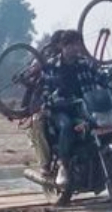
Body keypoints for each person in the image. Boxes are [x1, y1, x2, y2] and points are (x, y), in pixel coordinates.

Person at [40, 30, 103, 186]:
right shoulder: (52, 65)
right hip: (60, 109)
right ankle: (64, 165)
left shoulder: (84, 63)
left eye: (78, 44)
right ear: (63, 46)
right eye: (72, 44)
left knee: (101, 124)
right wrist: (51, 100)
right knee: (67, 126)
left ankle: (101, 168)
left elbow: (100, 76)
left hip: (83, 107)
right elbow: (46, 89)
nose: (76, 48)